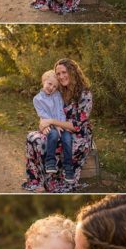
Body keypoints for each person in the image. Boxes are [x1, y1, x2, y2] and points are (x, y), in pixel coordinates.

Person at [23, 58, 94, 193]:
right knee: (34, 138)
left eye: (64, 72)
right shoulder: (59, 91)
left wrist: (50, 122)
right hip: (57, 128)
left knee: (58, 142)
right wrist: (43, 123)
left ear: (72, 72)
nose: (61, 76)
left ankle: (59, 180)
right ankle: (39, 179)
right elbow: (47, 109)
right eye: (58, 74)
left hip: (78, 133)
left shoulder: (85, 94)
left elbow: (76, 125)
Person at [33, 69, 74, 179]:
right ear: (44, 81)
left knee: (67, 138)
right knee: (54, 135)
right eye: (50, 84)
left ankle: (68, 167)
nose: (51, 88)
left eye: (55, 86)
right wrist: (55, 126)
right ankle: (50, 162)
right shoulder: (37, 99)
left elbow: (61, 111)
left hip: (61, 123)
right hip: (49, 125)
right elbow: (43, 114)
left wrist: (61, 124)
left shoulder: (57, 95)